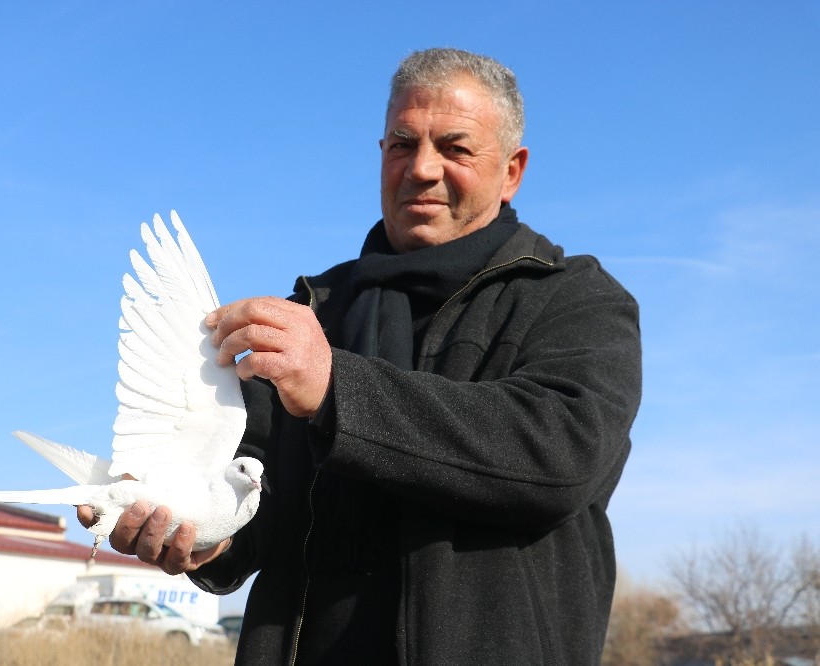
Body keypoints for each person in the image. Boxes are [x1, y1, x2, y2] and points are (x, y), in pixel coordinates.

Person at [81, 47, 642, 664]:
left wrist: (336, 390)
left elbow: (560, 455)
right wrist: (204, 539)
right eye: (403, 144)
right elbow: (258, 501)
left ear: (512, 170)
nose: (422, 168)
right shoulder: (313, 311)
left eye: (455, 148)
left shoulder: (577, 299)